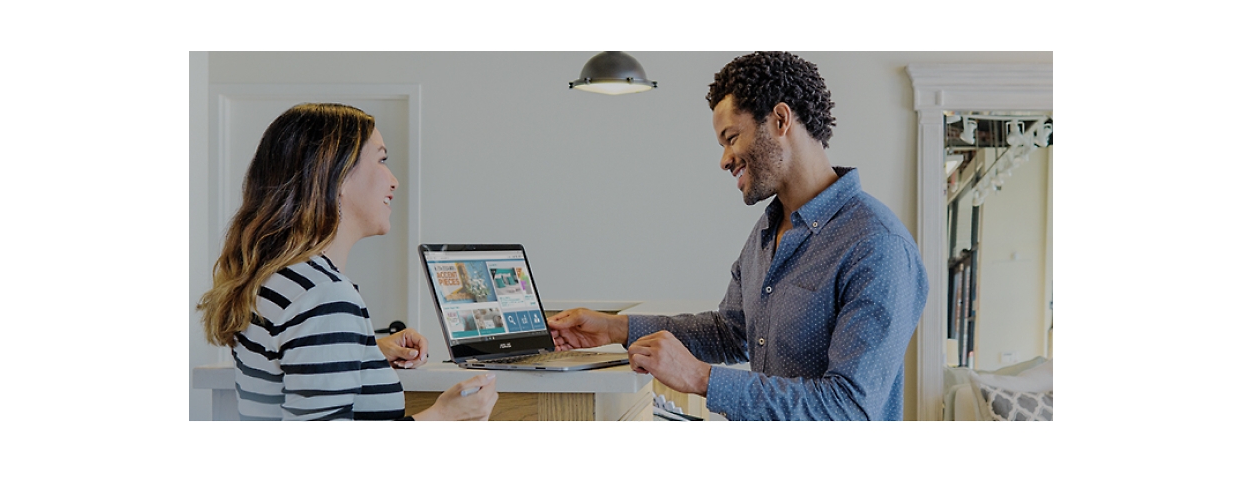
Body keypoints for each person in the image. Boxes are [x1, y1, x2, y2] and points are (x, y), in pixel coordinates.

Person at [548, 52, 928, 420]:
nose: (725, 159)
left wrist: (701, 378)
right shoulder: (769, 228)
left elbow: (848, 408)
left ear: (780, 119)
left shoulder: (877, 245)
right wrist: (617, 328)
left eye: (732, 137)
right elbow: (730, 333)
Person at [198, 103, 497, 421]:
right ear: (336, 175)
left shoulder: (279, 280)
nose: (394, 181)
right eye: (381, 160)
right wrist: (443, 417)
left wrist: (360, 350)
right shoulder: (323, 296)